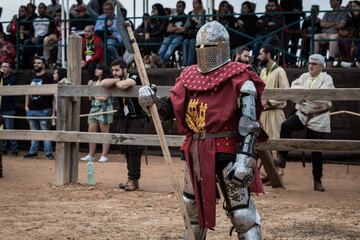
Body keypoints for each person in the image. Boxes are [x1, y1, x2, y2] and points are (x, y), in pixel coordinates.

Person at [139, 21, 267, 239]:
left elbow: (249, 123)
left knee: (242, 215)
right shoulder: (189, 76)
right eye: (201, 48)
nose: (204, 53)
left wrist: (245, 158)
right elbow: (170, 109)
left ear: (222, 47)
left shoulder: (240, 77)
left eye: (209, 47)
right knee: (192, 210)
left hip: (228, 150)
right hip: (197, 151)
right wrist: (152, 101)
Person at [274, 54, 335, 192]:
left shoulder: (327, 79)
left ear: (321, 66)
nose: (310, 66)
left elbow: (323, 97)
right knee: (286, 126)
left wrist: (304, 97)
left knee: (316, 150)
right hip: (302, 114)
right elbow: (294, 91)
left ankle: (317, 180)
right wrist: (305, 98)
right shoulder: (303, 77)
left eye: (314, 64)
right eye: (309, 63)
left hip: (318, 118)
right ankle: (282, 157)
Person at [100, 60, 147, 191]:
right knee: (126, 149)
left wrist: (117, 81)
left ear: (125, 70)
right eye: (113, 70)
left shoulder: (134, 76)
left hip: (136, 118)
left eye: (117, 70)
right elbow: (103, 83)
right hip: (124, 119)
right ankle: (131, 179)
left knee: (134, 149)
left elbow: (125, 85)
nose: (114, 73)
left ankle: (133, 179)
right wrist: (116, 80)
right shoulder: (116, 79)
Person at [258, 44, 289, 172]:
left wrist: (270, 101)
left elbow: (286, 92)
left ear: (268, 55)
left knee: (275, 143)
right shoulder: (263, 71)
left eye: (261, 54)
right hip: (264, 113)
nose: (259, 56)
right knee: (265, 144)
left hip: (275, 112)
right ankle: (268, 174)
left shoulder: (280, 71)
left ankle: (278, 173)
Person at [81, 63, 113, 163]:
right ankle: (91, 154)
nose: (96, 70)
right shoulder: (94, 82)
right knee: (91, 132)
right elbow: (90, 98)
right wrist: (90, 88)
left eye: (98, 69)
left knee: (104, 133)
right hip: (94, 108)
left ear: (103, 71)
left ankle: (104, 155)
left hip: (105, 108)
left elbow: (104, 98)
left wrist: (94, 94)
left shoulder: (107, 82)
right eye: (96, 68)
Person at [24, 56, 54, 160]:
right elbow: (27, 91)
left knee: (45, 132)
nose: (36, 65)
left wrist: (37, 92)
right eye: (35, 63)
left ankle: (48, 153)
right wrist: (26, 106)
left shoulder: (49, 77)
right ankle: (33, 152)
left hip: (44, 109)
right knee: (34, 132)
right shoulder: (31, 75)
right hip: (31, 109)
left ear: (43, 65)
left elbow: (51, 93)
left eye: (39, 63)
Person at [314, 0, 347, 67]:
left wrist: (328, 23)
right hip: (325, 34)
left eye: (332, 0)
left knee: (333, 38)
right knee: (315, 36)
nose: (330, 2)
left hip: (335, 34)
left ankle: (331, 59)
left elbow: (341, 25)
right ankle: (315, 59)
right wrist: (334, 23)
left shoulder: (343, 13)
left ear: (338, 2)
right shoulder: (327, 13)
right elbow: (322, 24)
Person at [156, 1, 187, 65]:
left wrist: (173, 28)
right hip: (171, 36)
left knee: (170, 49)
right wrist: (178, 28)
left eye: (179, 6)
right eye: (177, 6)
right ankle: (160, 62)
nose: (178, 8)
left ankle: (161, 63)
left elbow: (183, 30)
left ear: (184, 7)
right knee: (163, 48)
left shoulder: (186, 17)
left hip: (179, 36)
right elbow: (168, 29)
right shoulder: (174, 17)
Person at [0, 62, 19, 156]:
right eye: (2, 66)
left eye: (5, 67)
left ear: (10, 69)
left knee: (9, 129)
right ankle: (3, 148)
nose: (3, 68)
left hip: (8, 107)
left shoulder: (13, 79)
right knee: (1, 130)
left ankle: (14, 149)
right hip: (0, 107)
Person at [182, 0, 205, 67]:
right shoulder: (190, 13)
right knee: (185, 42)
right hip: (190, 34)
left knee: (192, 42)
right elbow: (187, 25)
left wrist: (195, 20)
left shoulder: (204, 13)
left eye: (195, 3)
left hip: (199, 35)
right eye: (193, 3)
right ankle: (184, 64)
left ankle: (190, 64)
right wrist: (193, 21)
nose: (194, 5)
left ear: (200, 4)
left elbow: (202, 25)